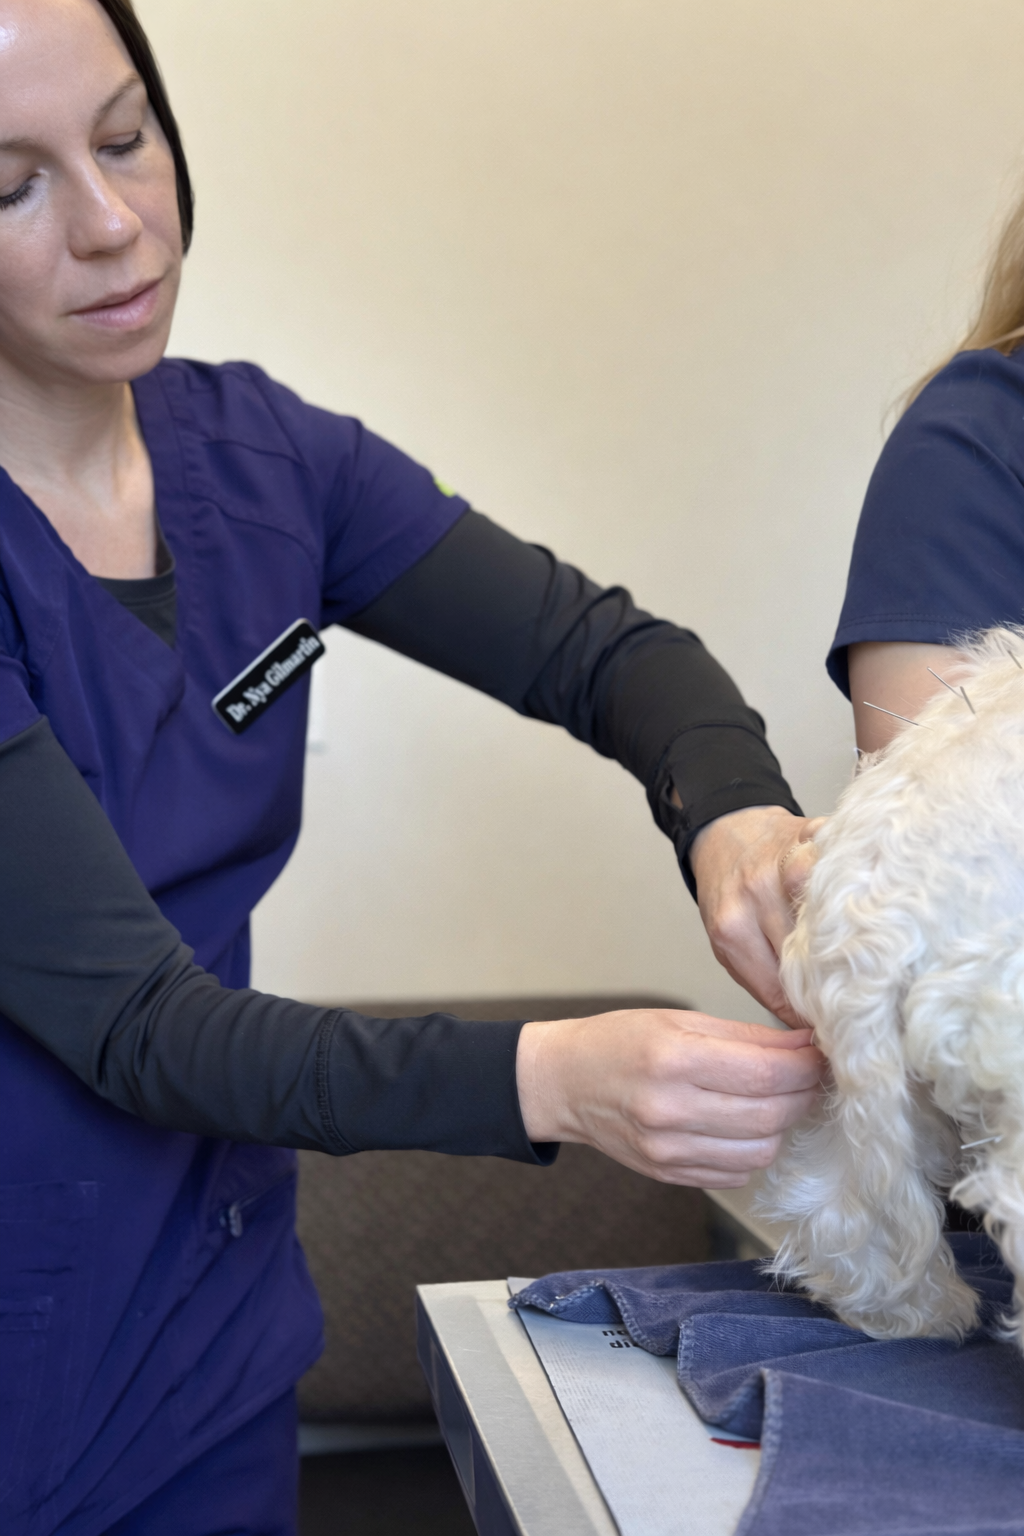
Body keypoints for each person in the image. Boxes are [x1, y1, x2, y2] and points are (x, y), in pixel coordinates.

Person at [0, 2, 824, 1531]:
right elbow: (140, 1028)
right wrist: (557, 1077)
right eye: (12, 186)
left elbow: (606, 652)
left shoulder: (268, 462)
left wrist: (739, 817)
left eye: (126, 139)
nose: (114, 224)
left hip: (207, 1347)